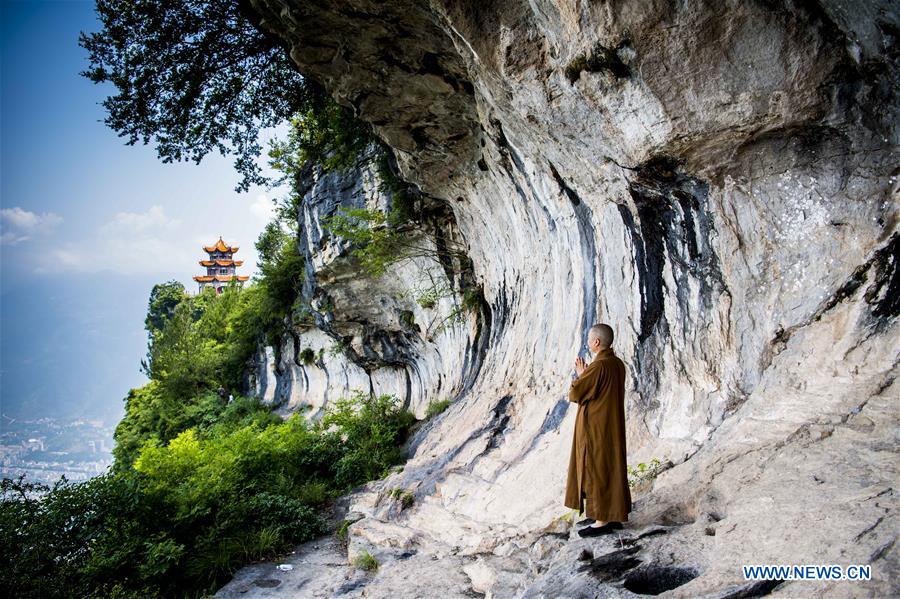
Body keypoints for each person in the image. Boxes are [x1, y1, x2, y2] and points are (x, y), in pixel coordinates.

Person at [564, 323, 632, 537]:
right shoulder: (617, 364)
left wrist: (581, 374)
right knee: (612, 468)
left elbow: (575, 394)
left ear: (596, 342)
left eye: (589, 339)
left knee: (597, 468)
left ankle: (602, 521)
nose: (588, 343)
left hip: (596, 428)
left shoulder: (599, 365)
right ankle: (612, 514)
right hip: (612, 425)